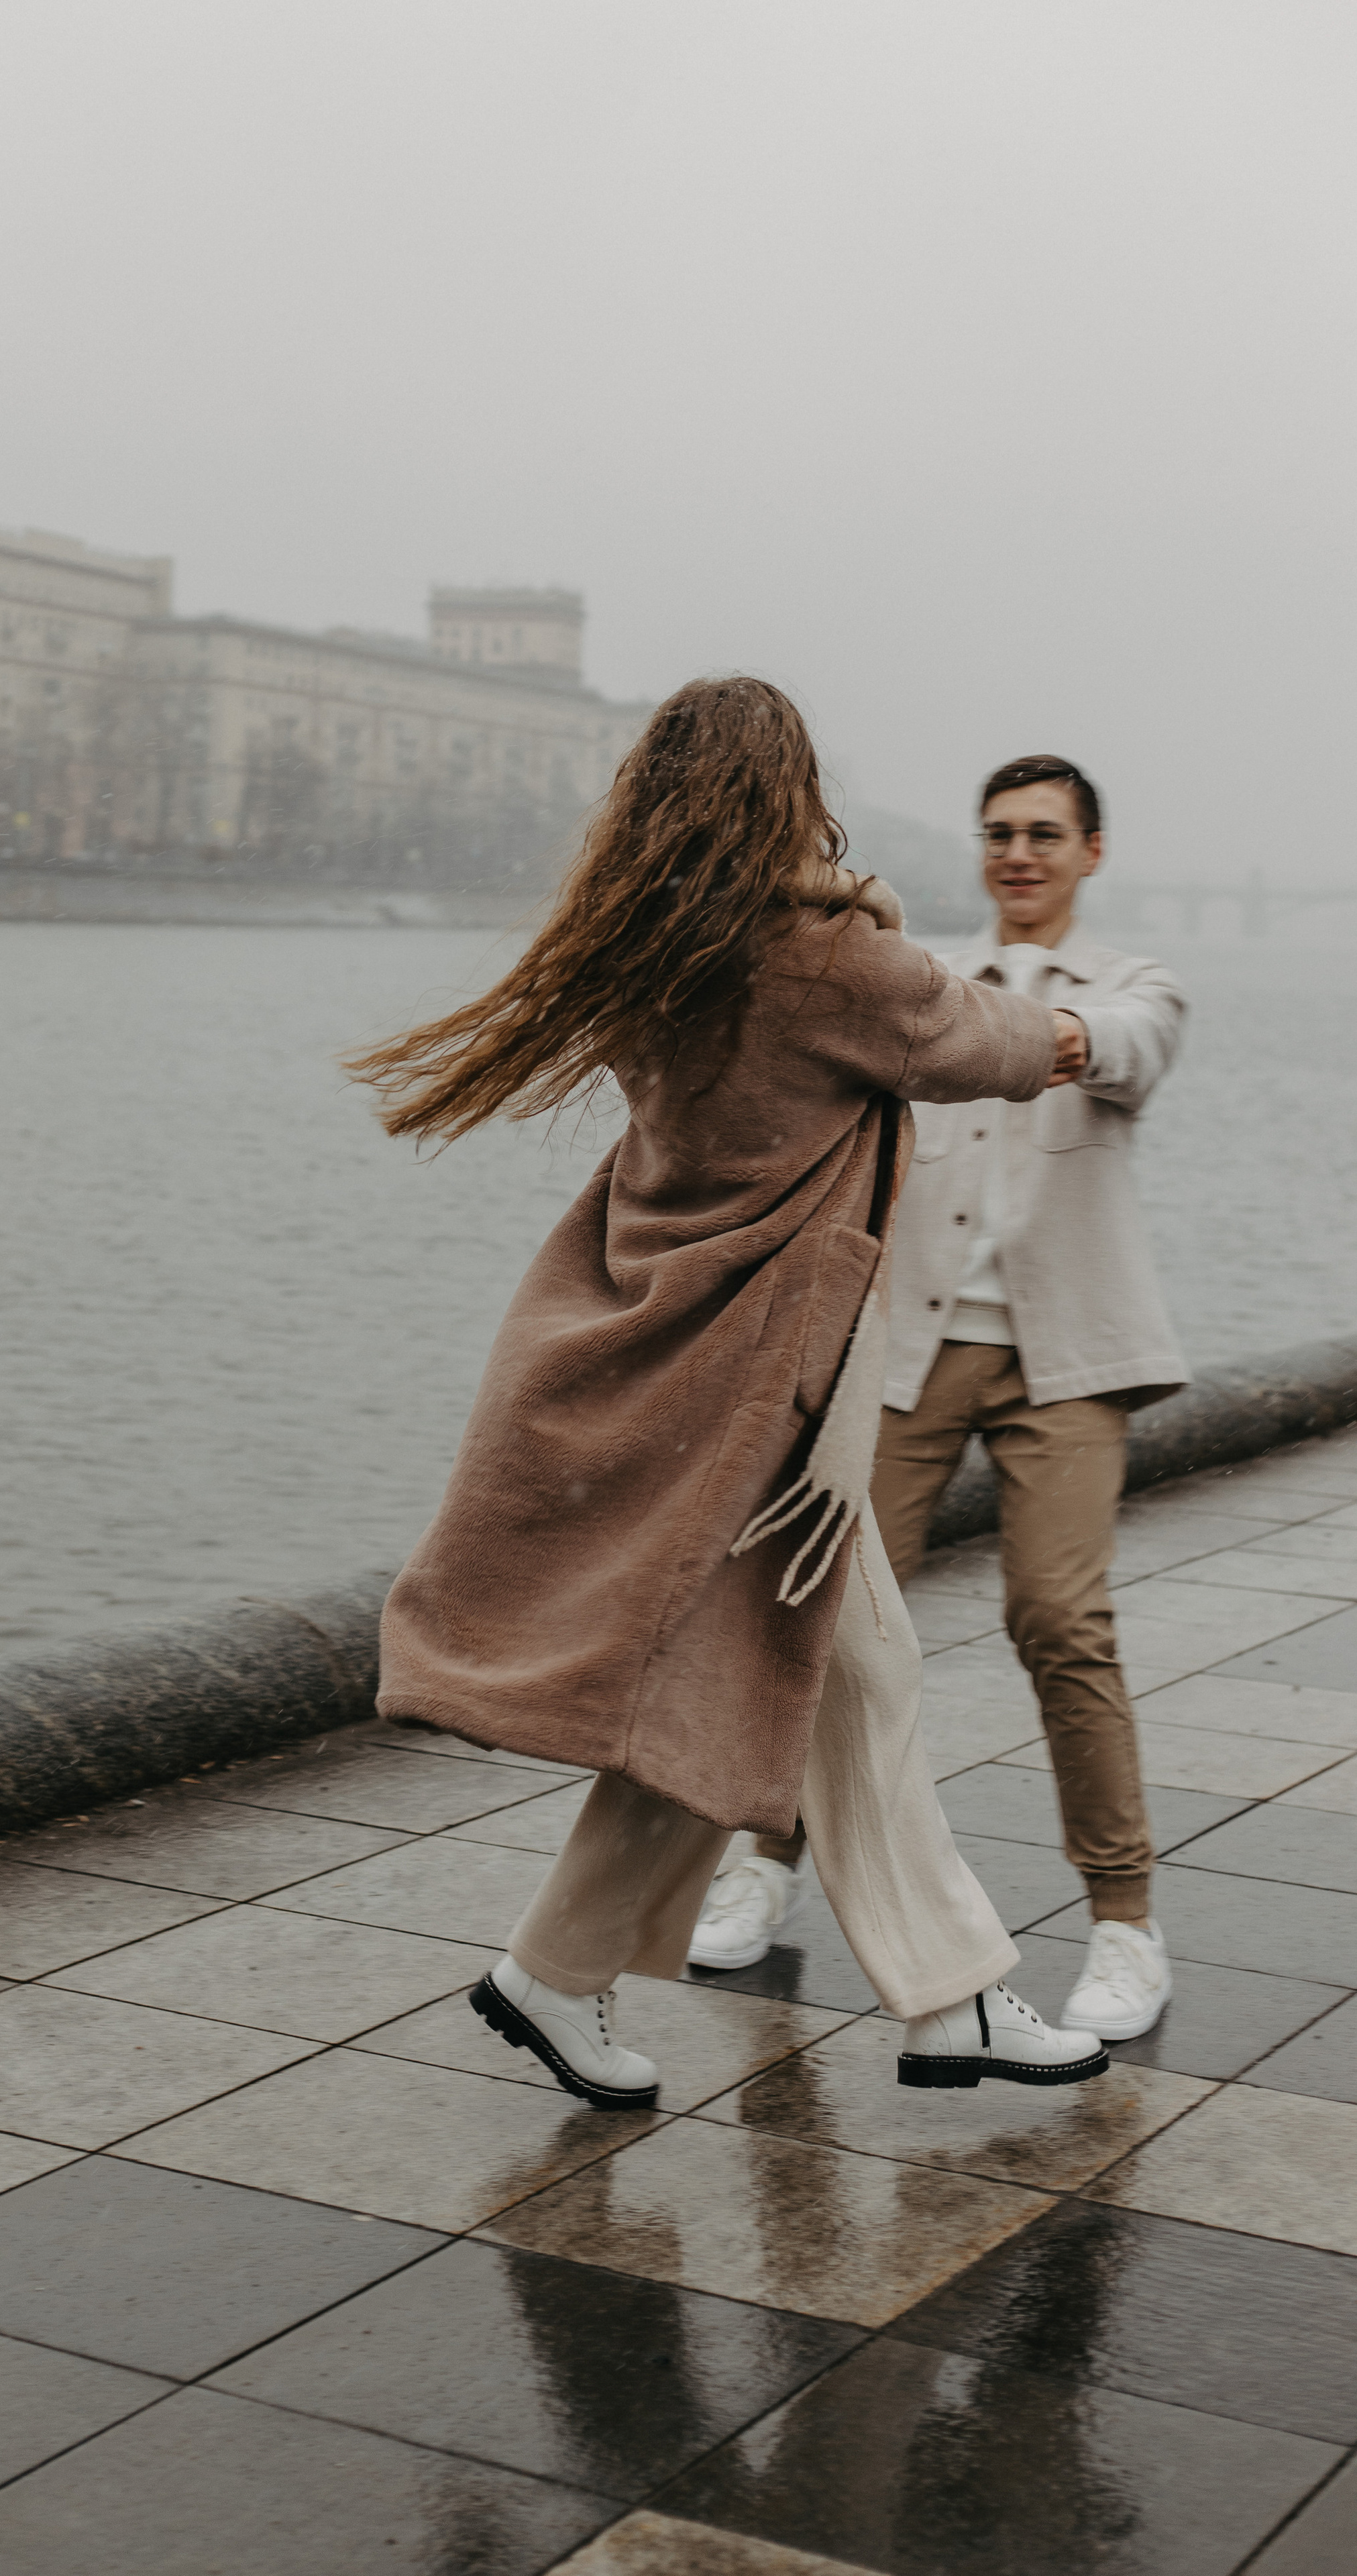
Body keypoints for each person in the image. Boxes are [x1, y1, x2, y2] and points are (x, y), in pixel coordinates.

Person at [349, 682, 1107, 2106]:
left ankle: (556, 1977)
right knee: (848, 1674)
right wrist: (1080, 1037)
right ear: (786, 791)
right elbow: (976, 1048)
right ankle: (956, 2002)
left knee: (747, 1683)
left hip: (674, 1356)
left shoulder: (649, 949)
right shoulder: (822, 957)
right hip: (769, 1387)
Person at [688, 753, 1185, 2047]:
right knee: (818, 1618)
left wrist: (1034, 1033)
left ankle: (1125, 1924)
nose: (1017, 853)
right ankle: (764, 1864)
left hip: (1064, 1356)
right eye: (997, 833)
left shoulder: (1132, 986)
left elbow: (1128, 1050)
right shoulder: (917, 980)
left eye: (1042, 833)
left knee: (1060, 1619)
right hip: (904, 1353)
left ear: (1091, 850)